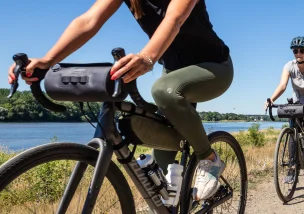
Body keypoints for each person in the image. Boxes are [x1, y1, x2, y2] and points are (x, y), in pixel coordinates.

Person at [7, 0, 232, 201]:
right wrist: (48, 60)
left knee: (163, 91)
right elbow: (88, 20)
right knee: (163, 171)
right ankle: (180, 201)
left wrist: (147, 57)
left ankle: (209, 158)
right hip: (173, 72)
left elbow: (176, 17)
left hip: (213, 67)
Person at [265, 36, 304, 184]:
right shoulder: (288, 66)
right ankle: (292, 167)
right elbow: (283, 85)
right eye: (295, 51)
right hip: (297, 100)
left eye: (301, 50)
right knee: (292, 132)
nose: (298, 53)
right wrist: (272, 99)